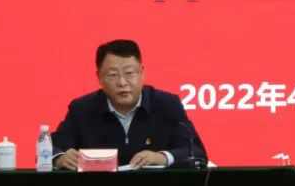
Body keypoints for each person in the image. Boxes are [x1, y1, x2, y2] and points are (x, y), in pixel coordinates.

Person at [51, 39, 207, 170]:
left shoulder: (167, 105)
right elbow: (52, 148)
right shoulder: (82, 109)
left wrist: (162, 157)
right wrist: (59, 158)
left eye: (129, 73)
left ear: (142, 73)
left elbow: (196, 152)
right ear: (99, 77)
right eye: (113, 75)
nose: (122, 82)